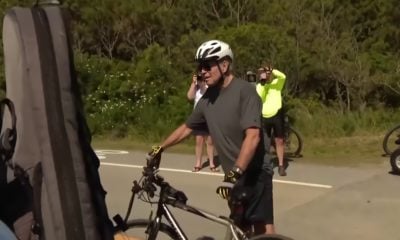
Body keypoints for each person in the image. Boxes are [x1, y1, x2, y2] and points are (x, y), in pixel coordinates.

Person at [146, 40, 276, 236]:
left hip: (255, 171)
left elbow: (253, 137)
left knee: (263, 229)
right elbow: (186, 128)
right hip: (233, 175)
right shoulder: (207, 100)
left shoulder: (244, 91)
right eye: (200, 67)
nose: (202, 72)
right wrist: (160, 147)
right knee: (240, 227)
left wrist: (235, 173)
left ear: (224, 65)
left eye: (207, 66)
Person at [256, 65, 287, 176]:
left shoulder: (276, 84)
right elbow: (261, 97)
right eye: (263, 74)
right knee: (266, 143)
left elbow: (283, 76)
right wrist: (263, 84)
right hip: (265, 116)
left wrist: (272, 70)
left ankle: (281, 165)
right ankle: (267, 165)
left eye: (267, 74)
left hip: (277, 114)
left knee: (279, 141)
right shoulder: (260, 86)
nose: (265, 75)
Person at [186, 73, 218, 172]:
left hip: (209, 117)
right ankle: (198, 163)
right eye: (199, 78)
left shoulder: (208, 88)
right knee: (199, 141)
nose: (200, 79)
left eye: (201, 78)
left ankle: (212, 163)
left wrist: (203, 84)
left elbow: (206, 91)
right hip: (198, 118)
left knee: (210, 142)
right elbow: (189, 97)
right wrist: (193, 83)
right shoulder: (197, 89)